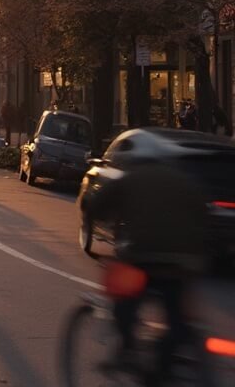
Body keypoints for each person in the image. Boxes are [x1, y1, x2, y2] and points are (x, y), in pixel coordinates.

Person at [84, 160, 207, 382]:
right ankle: (165, 364)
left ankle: (130, 352)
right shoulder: (185, 181)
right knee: (178, 320)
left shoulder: (131, 178)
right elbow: (203, 215)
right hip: (184, 261)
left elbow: (95, 205)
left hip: (144, 256)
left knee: (124, 306)